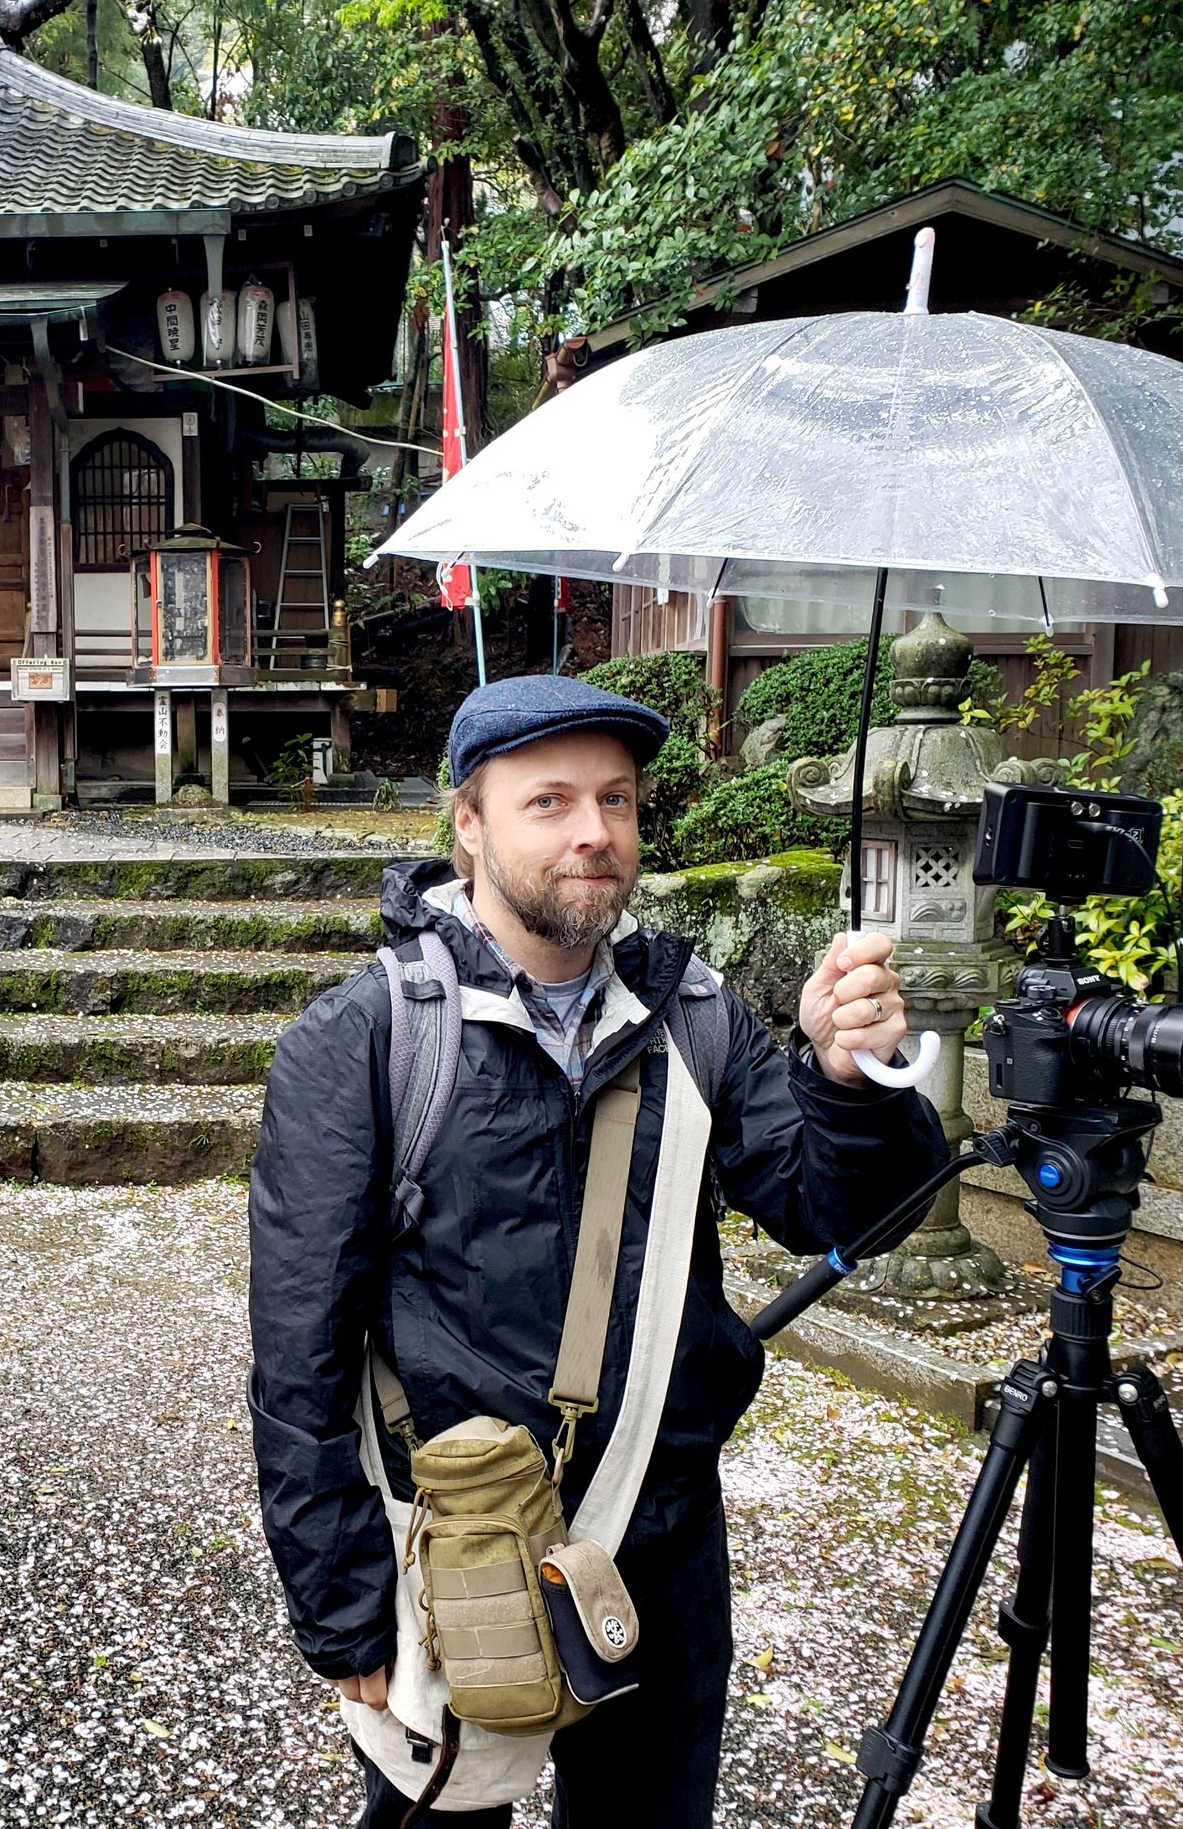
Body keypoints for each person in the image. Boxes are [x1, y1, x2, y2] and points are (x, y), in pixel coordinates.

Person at [248, 674, 948, 1828]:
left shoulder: (696, 1021)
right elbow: (298, 1353)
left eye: (617, 801)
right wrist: (340, 1606)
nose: (594, 833)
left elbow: (840, 1216)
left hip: (657, 1536)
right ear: (466, 822)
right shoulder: (366, 1040)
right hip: (452, 1542)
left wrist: (846, 1086)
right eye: (551, 801)